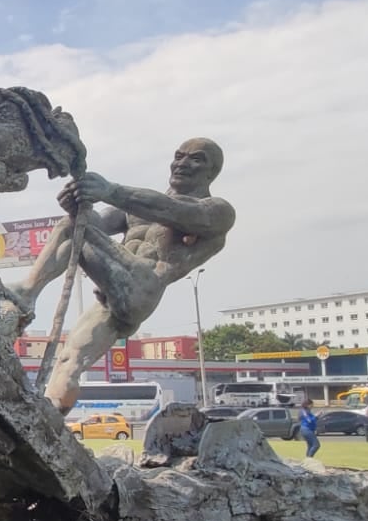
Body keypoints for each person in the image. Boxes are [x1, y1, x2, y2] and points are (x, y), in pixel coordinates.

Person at [18, 139, 236, 411]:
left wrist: (109, 190)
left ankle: (25, 295)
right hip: (111, 292)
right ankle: (50, 417)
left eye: (195, 159)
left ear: (212, 170)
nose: (182, 163)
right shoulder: (137, 207)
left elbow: (172, 211)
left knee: (74, 228)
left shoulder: (217, 211)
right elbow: (96, 222)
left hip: (144, 286)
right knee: (69, 360)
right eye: (178, 156)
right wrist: (79, 204)